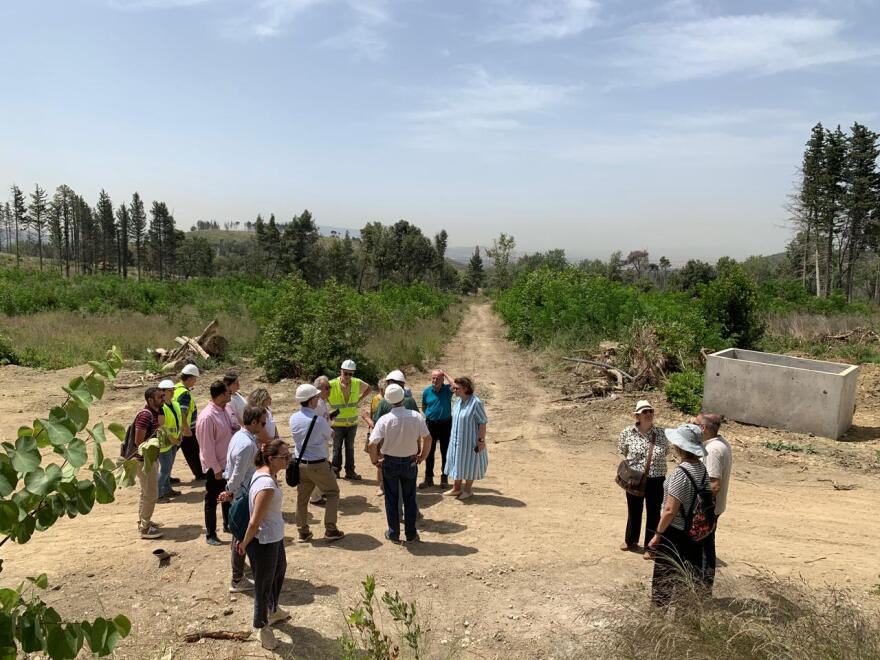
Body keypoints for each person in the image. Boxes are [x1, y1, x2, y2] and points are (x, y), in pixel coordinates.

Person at [237, 440, 291, 651]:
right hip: (263, 541)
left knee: (279, 570)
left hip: (274, 536)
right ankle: (261, 625)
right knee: (263, 583)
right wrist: (244, 543)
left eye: (288, 456)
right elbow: (254, 521)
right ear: (271, 459)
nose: (288, 460)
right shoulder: (266, 485)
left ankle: (273, 608)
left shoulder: (267, 474)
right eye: (284, 457)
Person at [648, 423, 708, 607]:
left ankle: (658, 623)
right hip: (693, 533)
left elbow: (670, 510)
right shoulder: (702, 470)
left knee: (664, 582)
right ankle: (684, 622)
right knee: (685, 580)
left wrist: (657, 535)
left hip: (674, 533)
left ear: (680, 446)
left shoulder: (681, 473)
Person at [368, 384, 432, 543]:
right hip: (410, 461)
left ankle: (393, 533)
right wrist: (422, 456)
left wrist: (375, 461)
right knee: (410, 498)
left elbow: (371, 444)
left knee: (391, 499)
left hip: (390, 462)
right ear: (403, 398)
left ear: (388, 401)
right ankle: (411, 533)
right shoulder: (416, 416)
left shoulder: (384, 419)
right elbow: (428, 438)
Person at [219, 405, 265, 593]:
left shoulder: (239, 436)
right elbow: (237, 474)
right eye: (261, 423)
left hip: (240, 492)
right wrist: (231, 492)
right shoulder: (246, 444)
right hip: (243, 494)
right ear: (253, 422)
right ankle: (237, 579)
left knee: (240, 533)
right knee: (242, 535)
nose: (263, 426)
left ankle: (241, 570)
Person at [290, 384, 345, 543]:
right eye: (316, 397)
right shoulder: (319, 420)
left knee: (302, 498)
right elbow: (331, 436)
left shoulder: (293, 418)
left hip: (301, 463)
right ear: (311, 400)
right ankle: (330, 529)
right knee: (332, 493)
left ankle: (303, 531)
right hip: (318, 464)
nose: (318, 399)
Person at [618, 400, 668, 559]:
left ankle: (650, 546)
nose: (649, 414)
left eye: (651, 411)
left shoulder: (661, 433)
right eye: (645, 412)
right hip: (635, 478)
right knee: (634, 509)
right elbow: (623, 451)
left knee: (654, 513)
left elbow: (665, 451)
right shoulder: (627, 432)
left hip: (656, 479)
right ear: (637, 415)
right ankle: (631, 540)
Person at [196, 380, 238, 546]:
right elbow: (206, 448)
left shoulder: (226, 409)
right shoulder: (207, 417)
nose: (230, 395)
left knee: (228, 495)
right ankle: (211, 534)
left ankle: (227, 524)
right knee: (212, 500)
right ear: (221, 395)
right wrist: (216, 469)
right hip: (216, 466)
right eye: (228, 393)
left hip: (228, 463)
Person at [696, 412, 732, 593]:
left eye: (695, 424)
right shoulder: (720, 443)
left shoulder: (712, 450)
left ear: (703, 428)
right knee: (707, 546)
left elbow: (714, 485)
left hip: (707, 509)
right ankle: (704, 588)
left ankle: (702, 590)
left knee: (703, 550)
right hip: (714, 507)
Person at [129, 387, 166, 539]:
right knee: (151, 493)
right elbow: (139, 441)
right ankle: (145, 528)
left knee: (146, 492)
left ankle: (144, 521)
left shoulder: (154, 413)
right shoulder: (146, 415)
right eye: (160, 397)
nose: (163, 399)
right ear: (150, 400)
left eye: (163, 396)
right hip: (144, 461)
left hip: (148, 460)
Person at [443, 377, 488, 500]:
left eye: (457, 388)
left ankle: (468, 490)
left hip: (470, 441)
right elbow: (453, 383)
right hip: (456, 440)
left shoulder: (476, 403)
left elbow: (483, 422)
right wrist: (445, 374)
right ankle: (456, 489)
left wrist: (481, 441)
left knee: (470, 465)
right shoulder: (458, 401)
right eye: (454, 388)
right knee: (457, 462)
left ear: (466, 389)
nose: (454, 390)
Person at [328, 359, 372, 480]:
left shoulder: (357, 383)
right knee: (336, 448)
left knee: (350, 447)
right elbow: (322, 393)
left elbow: (369, 388)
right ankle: (335, 471)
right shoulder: (332, 384)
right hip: (337, 423)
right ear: (341, 371)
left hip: (352, 423)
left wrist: (360, 399)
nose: (348, 376)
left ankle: (350, 471)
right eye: (345, 373)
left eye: (350, 374)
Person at [420, 370, 454, 489]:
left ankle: (444, 478)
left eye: (438, 378)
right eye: (433, 378)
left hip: (446, 424)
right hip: (431, 424)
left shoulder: (447, 390)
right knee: (429, 451)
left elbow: (455, 385)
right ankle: (428, 478)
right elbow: (424, 407)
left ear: (443, 380)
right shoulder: (427, 391)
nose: (435, 381)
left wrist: (445, 373)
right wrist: (431, 416)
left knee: (445, 451)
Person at [174, 364, 204, 481]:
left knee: (170, 454)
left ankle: (165, 476)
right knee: (193, 452)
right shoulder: (184, 393)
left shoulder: (175, 388)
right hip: (185, 428)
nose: (195, 382)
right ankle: (199, 474)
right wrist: (186, 430)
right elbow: (183, 412)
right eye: (195, 379)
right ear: (190, 378)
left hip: (174, 427)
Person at [157, 379, 183, 502]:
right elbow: (162, 427)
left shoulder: (175, 404)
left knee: (169, 466)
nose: (172, 392)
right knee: (165, 468)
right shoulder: (160, 408)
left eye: (173, 390)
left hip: (174, 440)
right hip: (164, 442)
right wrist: (172, 438)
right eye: (169, 390)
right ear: (162, 392)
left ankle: (167, 489)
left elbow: (179, 420)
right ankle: (156, 494)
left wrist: (180, 434)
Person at [362, 379, 387, 496]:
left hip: (385, 434)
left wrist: (366, 419)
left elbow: (374, 421)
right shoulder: (376, 399)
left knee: (383, 461)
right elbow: (374, 419)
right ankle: (382, 486)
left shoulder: (385, 400)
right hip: (380, 435)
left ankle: (384, 486)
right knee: (380, 462)